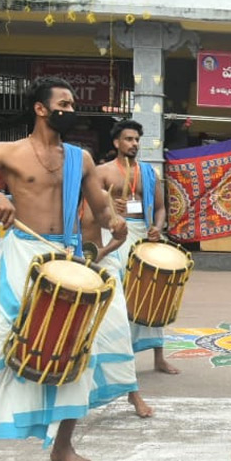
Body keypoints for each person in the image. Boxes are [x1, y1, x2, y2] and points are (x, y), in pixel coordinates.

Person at [0, 76, 128, 461]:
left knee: (76, 351)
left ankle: (63, 445)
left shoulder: (82, 158)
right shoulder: (8, 152)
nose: (70, 109)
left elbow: (100, 207)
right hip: (21, 256)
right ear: (40, 109)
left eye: (73, 103)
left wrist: (115, 220)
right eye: (63, 102)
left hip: (68, 256)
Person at [93, 119, 179, 382]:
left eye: (136, 140)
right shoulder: (102, 171)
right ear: (116, 143)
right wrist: (109, 208)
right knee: (120, 296)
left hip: (143, 235)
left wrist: (157, 227)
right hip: (114, 234)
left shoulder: (149, 173)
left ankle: (159, 357)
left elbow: (162, 207)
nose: (134, 144)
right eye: (128, 139)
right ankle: (119, 356)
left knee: (152, 293)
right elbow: (90, 207)